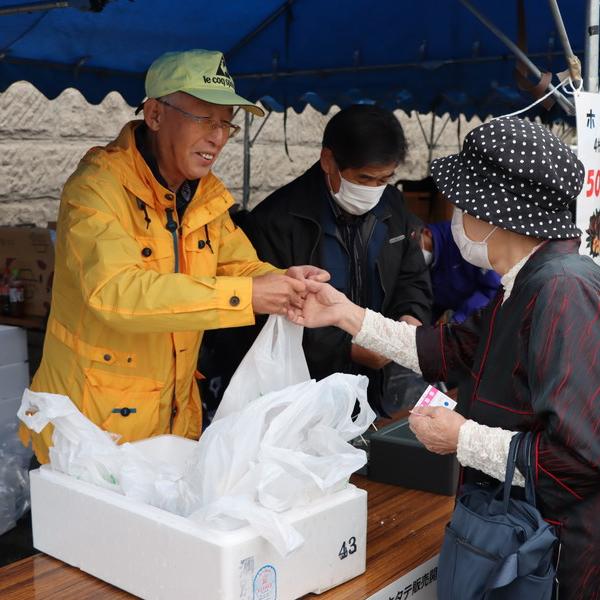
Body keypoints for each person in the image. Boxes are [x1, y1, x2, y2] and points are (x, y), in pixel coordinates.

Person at [291, 117, 600, 598]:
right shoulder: (526, 282)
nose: (454, 213)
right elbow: (451, 349)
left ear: (497, 212)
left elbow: (578, 459)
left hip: (551, 556)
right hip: (517, 536)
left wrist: (463, 438)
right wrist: (348, 314)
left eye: (462, 201)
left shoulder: (563, 289)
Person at [21, 49, 328, 464]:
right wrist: (246, 294)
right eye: (204, 119)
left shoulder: (204, 194)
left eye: (226, 124)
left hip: (175, 417)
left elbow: (238, 265)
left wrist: (284, 280)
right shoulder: (95, 189)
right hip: (91, 428)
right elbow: (116, 292)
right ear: (155, 115)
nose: (217, 137)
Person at [236, 105, 432, 414]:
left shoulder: (393, 206)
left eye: (385, 179)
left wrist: (410, 321)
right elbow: (266, 318)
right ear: (328, 161)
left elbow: (412, 278)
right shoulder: (277, 220)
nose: (374, 190)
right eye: (365, 178)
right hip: (305, 392)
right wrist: (350, 349)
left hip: (377, 390)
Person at [420, 220, 501, 323]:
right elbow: (431, 304)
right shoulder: (425, 265)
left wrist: (460, 318)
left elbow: (492, 289)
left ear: (427, 233)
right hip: (456, 318)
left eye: (417, 247)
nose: (415, 254)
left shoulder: (464, 238)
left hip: (483, 316)